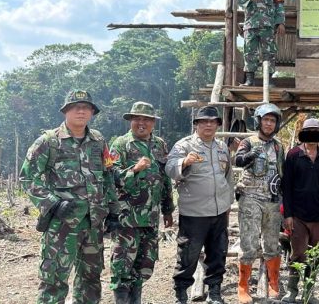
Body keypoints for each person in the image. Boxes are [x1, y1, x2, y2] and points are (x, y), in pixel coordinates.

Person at [19, 89, 117, 304]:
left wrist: (113, 212)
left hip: (93, 224)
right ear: (66, 111)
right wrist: (52, 204)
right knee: (54, 279)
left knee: (91, 278)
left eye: (86, 107)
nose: (81, 111)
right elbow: (27, 178)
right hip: (62, 225)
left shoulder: (99, 141)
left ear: (92, 112)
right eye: (76, 107)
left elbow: (108, 176)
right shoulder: (49, 141)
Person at [108, 102, 175, 304]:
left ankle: (135, 299)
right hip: (126, 219)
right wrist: (134, 170)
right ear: (130, 121)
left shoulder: (160, 145)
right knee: (122, 265)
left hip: (151, 218)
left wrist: (168, 209)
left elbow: (164, 180)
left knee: (145, 264)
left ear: (153, 122)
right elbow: (111, 178)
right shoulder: (120, 145)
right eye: (137, 119)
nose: (141, 123)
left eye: (146, 119)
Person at [166, 106, 233, 304]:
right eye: (204, 121)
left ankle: (214, 293)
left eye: (213, 121)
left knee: (218, 253)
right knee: (188, 255)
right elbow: (170, 168)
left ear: (217, 125)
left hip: (219, 211)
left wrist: (227, 203)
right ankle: (181, 294)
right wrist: (184, 162)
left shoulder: (222, 147)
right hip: (194, 213)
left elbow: (228, 177)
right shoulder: (184, 146)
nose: (209, 125)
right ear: (196, 124)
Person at [234, 103, 286, 303]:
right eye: (265, 120)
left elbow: (283, 173)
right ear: (258, 121)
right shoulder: (248, 141)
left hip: (272, 200)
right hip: (251, 198)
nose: (269, 124)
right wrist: (250, 155)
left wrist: (284, 201)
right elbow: (238, 161)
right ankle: (243, 286)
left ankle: (274, 283)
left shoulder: (278, 146)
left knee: (272, 243)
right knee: (249, 243)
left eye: (272, 120)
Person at [281, 118, 319, 302]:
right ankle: (292, 291)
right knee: (298, 254)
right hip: (298, 215)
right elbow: (286, 187)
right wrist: (287, 214)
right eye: (309, 130)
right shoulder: (293, 155)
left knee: (315, 255)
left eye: (316, 130)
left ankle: (309, 292)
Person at [236, 0, 286, 86]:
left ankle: (268, 81)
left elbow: (279, 5)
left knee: (269, 53)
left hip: (267, 26)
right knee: (249, 52)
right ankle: (249, 81)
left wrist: (280, 23)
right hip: (250, 25)